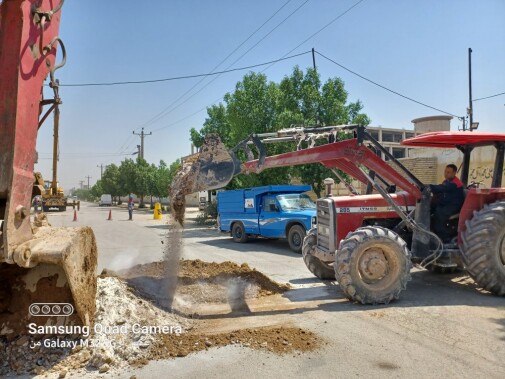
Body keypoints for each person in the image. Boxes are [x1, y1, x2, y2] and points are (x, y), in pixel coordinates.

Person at [429, 164, 465, 242]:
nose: (446, 174)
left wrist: (429, 187)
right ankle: (428, 229)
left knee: (439, 213)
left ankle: (443, 238)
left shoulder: (455, 183)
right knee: (430, 207)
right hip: (447, 203)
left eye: (448, 172)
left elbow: (443, 188)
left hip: (454, 206)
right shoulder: (447, 181)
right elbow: (440, 188)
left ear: (454, 173)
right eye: (445, 171)